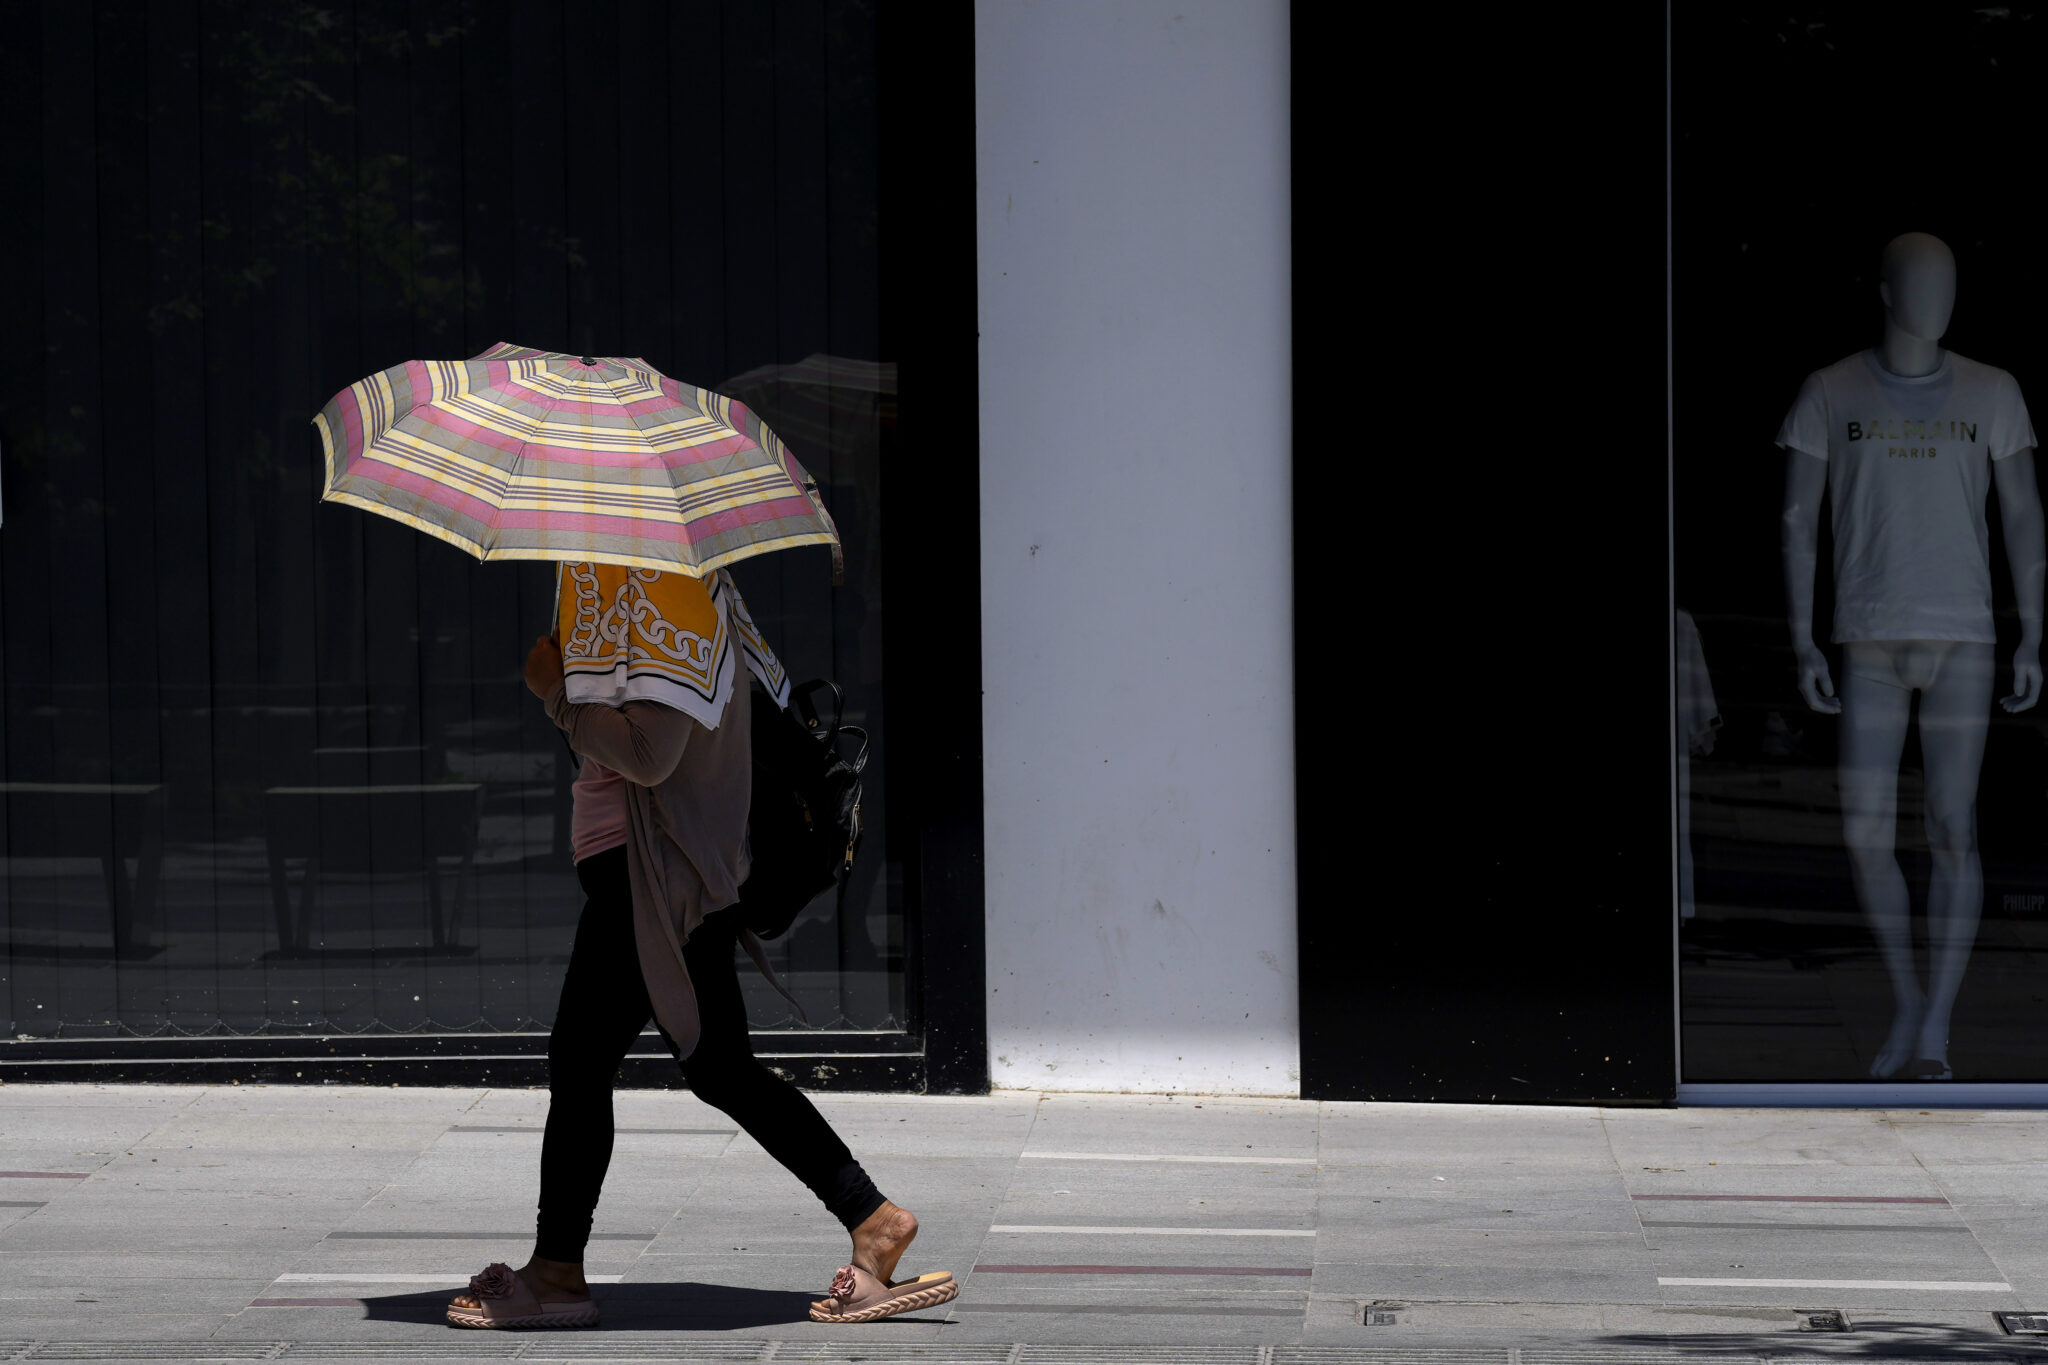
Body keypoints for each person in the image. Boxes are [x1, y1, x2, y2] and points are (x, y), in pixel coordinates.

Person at [446, 562, 957, 1329]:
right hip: (660, 871)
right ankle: (874, 1218)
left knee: (583, 1058)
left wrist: (554, 691)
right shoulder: (643, 594)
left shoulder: (666, 594)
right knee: (718, 1068)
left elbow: (653, 753)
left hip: (654, 878)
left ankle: (556, 1271)